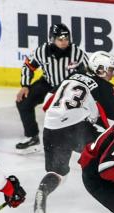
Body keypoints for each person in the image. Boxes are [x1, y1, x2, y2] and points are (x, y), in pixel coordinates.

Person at [34, 50, 114, 213]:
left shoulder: (72, 76)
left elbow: (47, 103)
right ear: (100, 70)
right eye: (110, 69)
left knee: (59, 173)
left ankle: (44, 189)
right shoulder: (106, 88)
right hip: (75, 129)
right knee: (110, 151)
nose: (113, 73)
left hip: (51, 127)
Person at [15, 23, 88, 153]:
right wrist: (25, 85)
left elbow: (88, 71)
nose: (64, 42)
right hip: (47, 83)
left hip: (68, 87)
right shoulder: (42, 51)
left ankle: (77, 140)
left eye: (66, 39)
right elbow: (28, 66)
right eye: (60, 39)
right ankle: (32, 136)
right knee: (23, 102)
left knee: (70, 112)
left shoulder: (76, 52)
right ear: (52, 39)